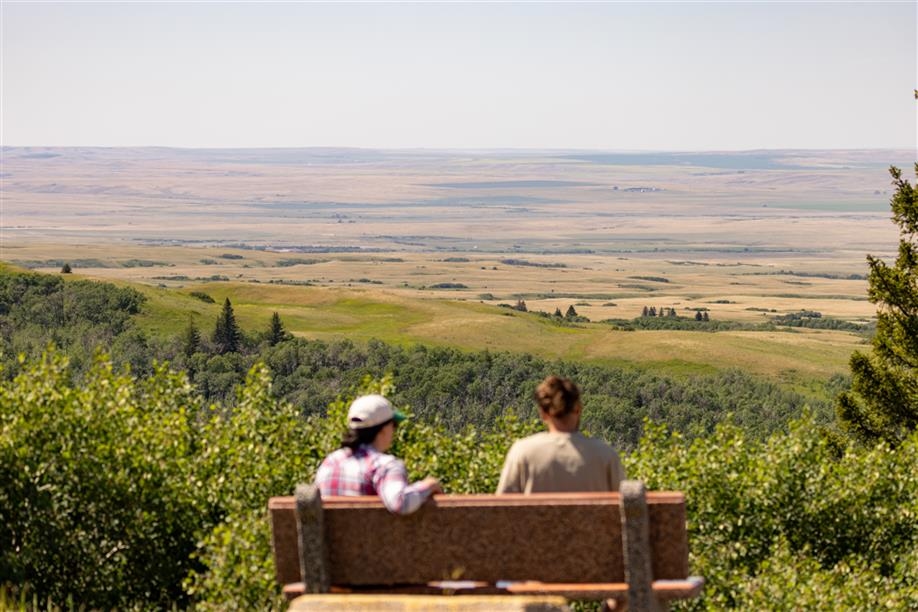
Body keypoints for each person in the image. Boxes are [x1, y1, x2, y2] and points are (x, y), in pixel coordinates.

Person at [315, 394, 441, 514]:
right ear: (383, 429)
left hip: (331, 537)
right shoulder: (384, 466)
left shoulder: (330, 463)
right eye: (394, 425)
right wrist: (429, 485)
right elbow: (400, 502)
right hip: (368, 536)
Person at [496, 375, 624, 494]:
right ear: (578, 409)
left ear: (543, 414)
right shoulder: (606, 455)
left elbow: (501, 509)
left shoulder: (522, 452)